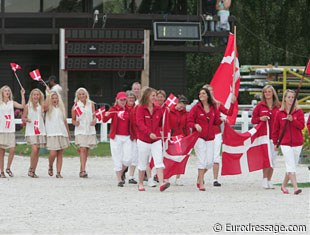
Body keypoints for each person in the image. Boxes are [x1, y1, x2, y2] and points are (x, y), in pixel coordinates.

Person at [136, 87, 170, 192]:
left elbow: (160, 123)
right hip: (143, 140)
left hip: (156, 140)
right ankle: (140, 183)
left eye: (155, 95)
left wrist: (159, 131)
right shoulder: (140, 108)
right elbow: (140, 123)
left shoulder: (158, 109)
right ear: (147, 96)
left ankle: (161, 183)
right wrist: (149, 133)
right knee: (142, 163)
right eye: (153, 96)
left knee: (159, 161)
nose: (155, 98)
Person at [188, 87, 221, 191]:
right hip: (199, 137)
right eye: (200, 94)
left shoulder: (212, 107)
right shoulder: (196, 108)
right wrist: (195, 125)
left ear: (207, 95)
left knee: (210, 162)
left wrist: (222, 120)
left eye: (203, 93)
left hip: (210, 137)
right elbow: (189, 121)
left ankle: (199, 177)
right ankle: (201, 182)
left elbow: (216, 121)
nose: (201, 95)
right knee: (202, 160)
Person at [272, 89, 304, 195]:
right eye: (288, 97)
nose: (290, 99)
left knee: (292, 165)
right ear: (285, 98)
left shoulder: (299, 112)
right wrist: (275, 142)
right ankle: (295, 187)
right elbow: (275, 129)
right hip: (285, 143)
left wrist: (293, 120)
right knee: (290, 164)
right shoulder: (279, 113)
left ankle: (283, 185)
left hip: (297, 142)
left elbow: (301, 126)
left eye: (292, 97)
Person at [204, 84, 236, 187]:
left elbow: (229, 112)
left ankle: (215, 179)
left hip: (216, 133)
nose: (210, 93)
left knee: (216, 156)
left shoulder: (217, 104)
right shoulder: (201, 106)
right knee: (206, 158)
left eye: (211, 91)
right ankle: (201, 176)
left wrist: (232, 102)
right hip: (204, 134)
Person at [251, 85, 281, 189]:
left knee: (273, 160)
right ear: (263, 94)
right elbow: (253, 120)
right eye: (265, 92)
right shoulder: (260, 106)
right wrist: (260, 118)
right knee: (266, 159)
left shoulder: (279, 106)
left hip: (275, 137)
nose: (267, 93)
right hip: (264, 137)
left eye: (269, 91)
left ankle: (269, 180)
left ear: (273, 93)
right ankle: (264, 179)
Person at [103, 91, 132, 187]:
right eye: (121, 100)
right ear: (117, 100)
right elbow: (104, 120)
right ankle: (119, 179)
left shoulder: (129, 110)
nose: (123, 101)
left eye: (124, 100)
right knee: (117, 157)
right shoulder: (114, 109)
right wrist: (106, 115)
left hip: (127, 136)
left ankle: (121, 171)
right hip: (116, 137)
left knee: (128, 159)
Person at [71, 88, 97, 178]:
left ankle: (83, 167)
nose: (82, 96)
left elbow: (94, 116)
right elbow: (73, 119)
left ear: (86, 95)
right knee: (82, 149)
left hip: (89, 130)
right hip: (80, 130)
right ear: (77, 96)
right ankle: (82, 170)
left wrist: (94, 120)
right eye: (80, 94)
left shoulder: (91, 104)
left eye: (83, 94)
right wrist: (75, 123)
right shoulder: (75, 106)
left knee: (86, 150)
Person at [0, 86, 25, 178]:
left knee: (12, 149)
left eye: (8, 91)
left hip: (10, 129)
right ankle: (1, 171)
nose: (7, 92)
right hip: (1, 129)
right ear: (2, 93)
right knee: (1, 152)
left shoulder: (12, 103)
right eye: (5, 91)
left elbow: (22, 106)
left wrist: (22, 95)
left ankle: (8, 168)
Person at [44, 91, 70, 178]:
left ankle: (58, 172)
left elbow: (64, 121)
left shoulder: (61, 108)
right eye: (53, 98)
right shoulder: (48, 109)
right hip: (52, 133)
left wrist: (68, 133)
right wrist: (48, 96)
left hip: (62, 132)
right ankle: (50, 165)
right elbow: (44, 107)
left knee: (60, 153)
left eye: (56, 98)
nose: (55, 100)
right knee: (53, 153)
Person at [22, 88, 47, 178]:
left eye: (38, 94)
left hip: (40, 130)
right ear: (31, 96)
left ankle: (33, 170)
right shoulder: (27, 106)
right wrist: (26, 119)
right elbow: (23, 117)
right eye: (34, 94)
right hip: (31, 130)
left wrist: (48, 93)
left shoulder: (42, 106)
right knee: (35, 149)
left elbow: (49, 106)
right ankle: (31, 168)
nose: (36, 96)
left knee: (37, 151)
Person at [167, 95, 189, 185]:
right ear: (177, 103)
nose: (182, 106)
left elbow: (187, 126)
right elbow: (167, 124)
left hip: (181, 137)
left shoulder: (186, 114)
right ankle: (167, 176)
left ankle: (178, 177)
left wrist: (188, 137)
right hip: (172, 137)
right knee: (170, 157)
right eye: (181, 103)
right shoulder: (169, 111)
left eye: (184, 105)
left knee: (181, 158)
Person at [126, 90, 138, 184]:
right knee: (125, 156)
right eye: (129, 98)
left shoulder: (137, 108)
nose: (131, 100)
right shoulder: (123, 108)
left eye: (133, 98)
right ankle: (122, 172)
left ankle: (131, 176)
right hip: (124, 134)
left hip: (134, 134)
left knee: (134, 156)